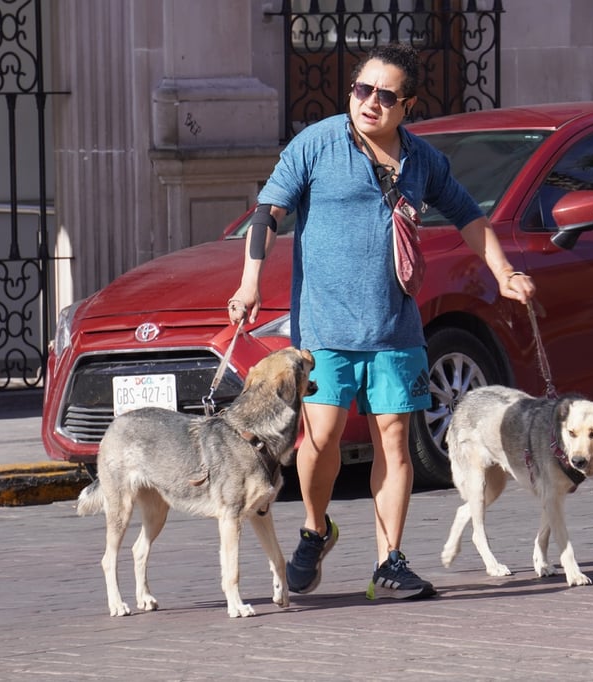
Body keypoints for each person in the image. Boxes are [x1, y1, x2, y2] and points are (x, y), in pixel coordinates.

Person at [227, 42, 536, 600]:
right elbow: (268, 213)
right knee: (318, 440)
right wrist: (250, 281)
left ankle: (388, 563)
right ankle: (316, 529)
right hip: (325, 330)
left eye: (385, 95)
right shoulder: (317, 144)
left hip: (395, 329)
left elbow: (469, 215)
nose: (370, 102)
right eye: (362, 89)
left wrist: (504, 271)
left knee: (394, 443)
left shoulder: (422, 161)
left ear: (407, 104)